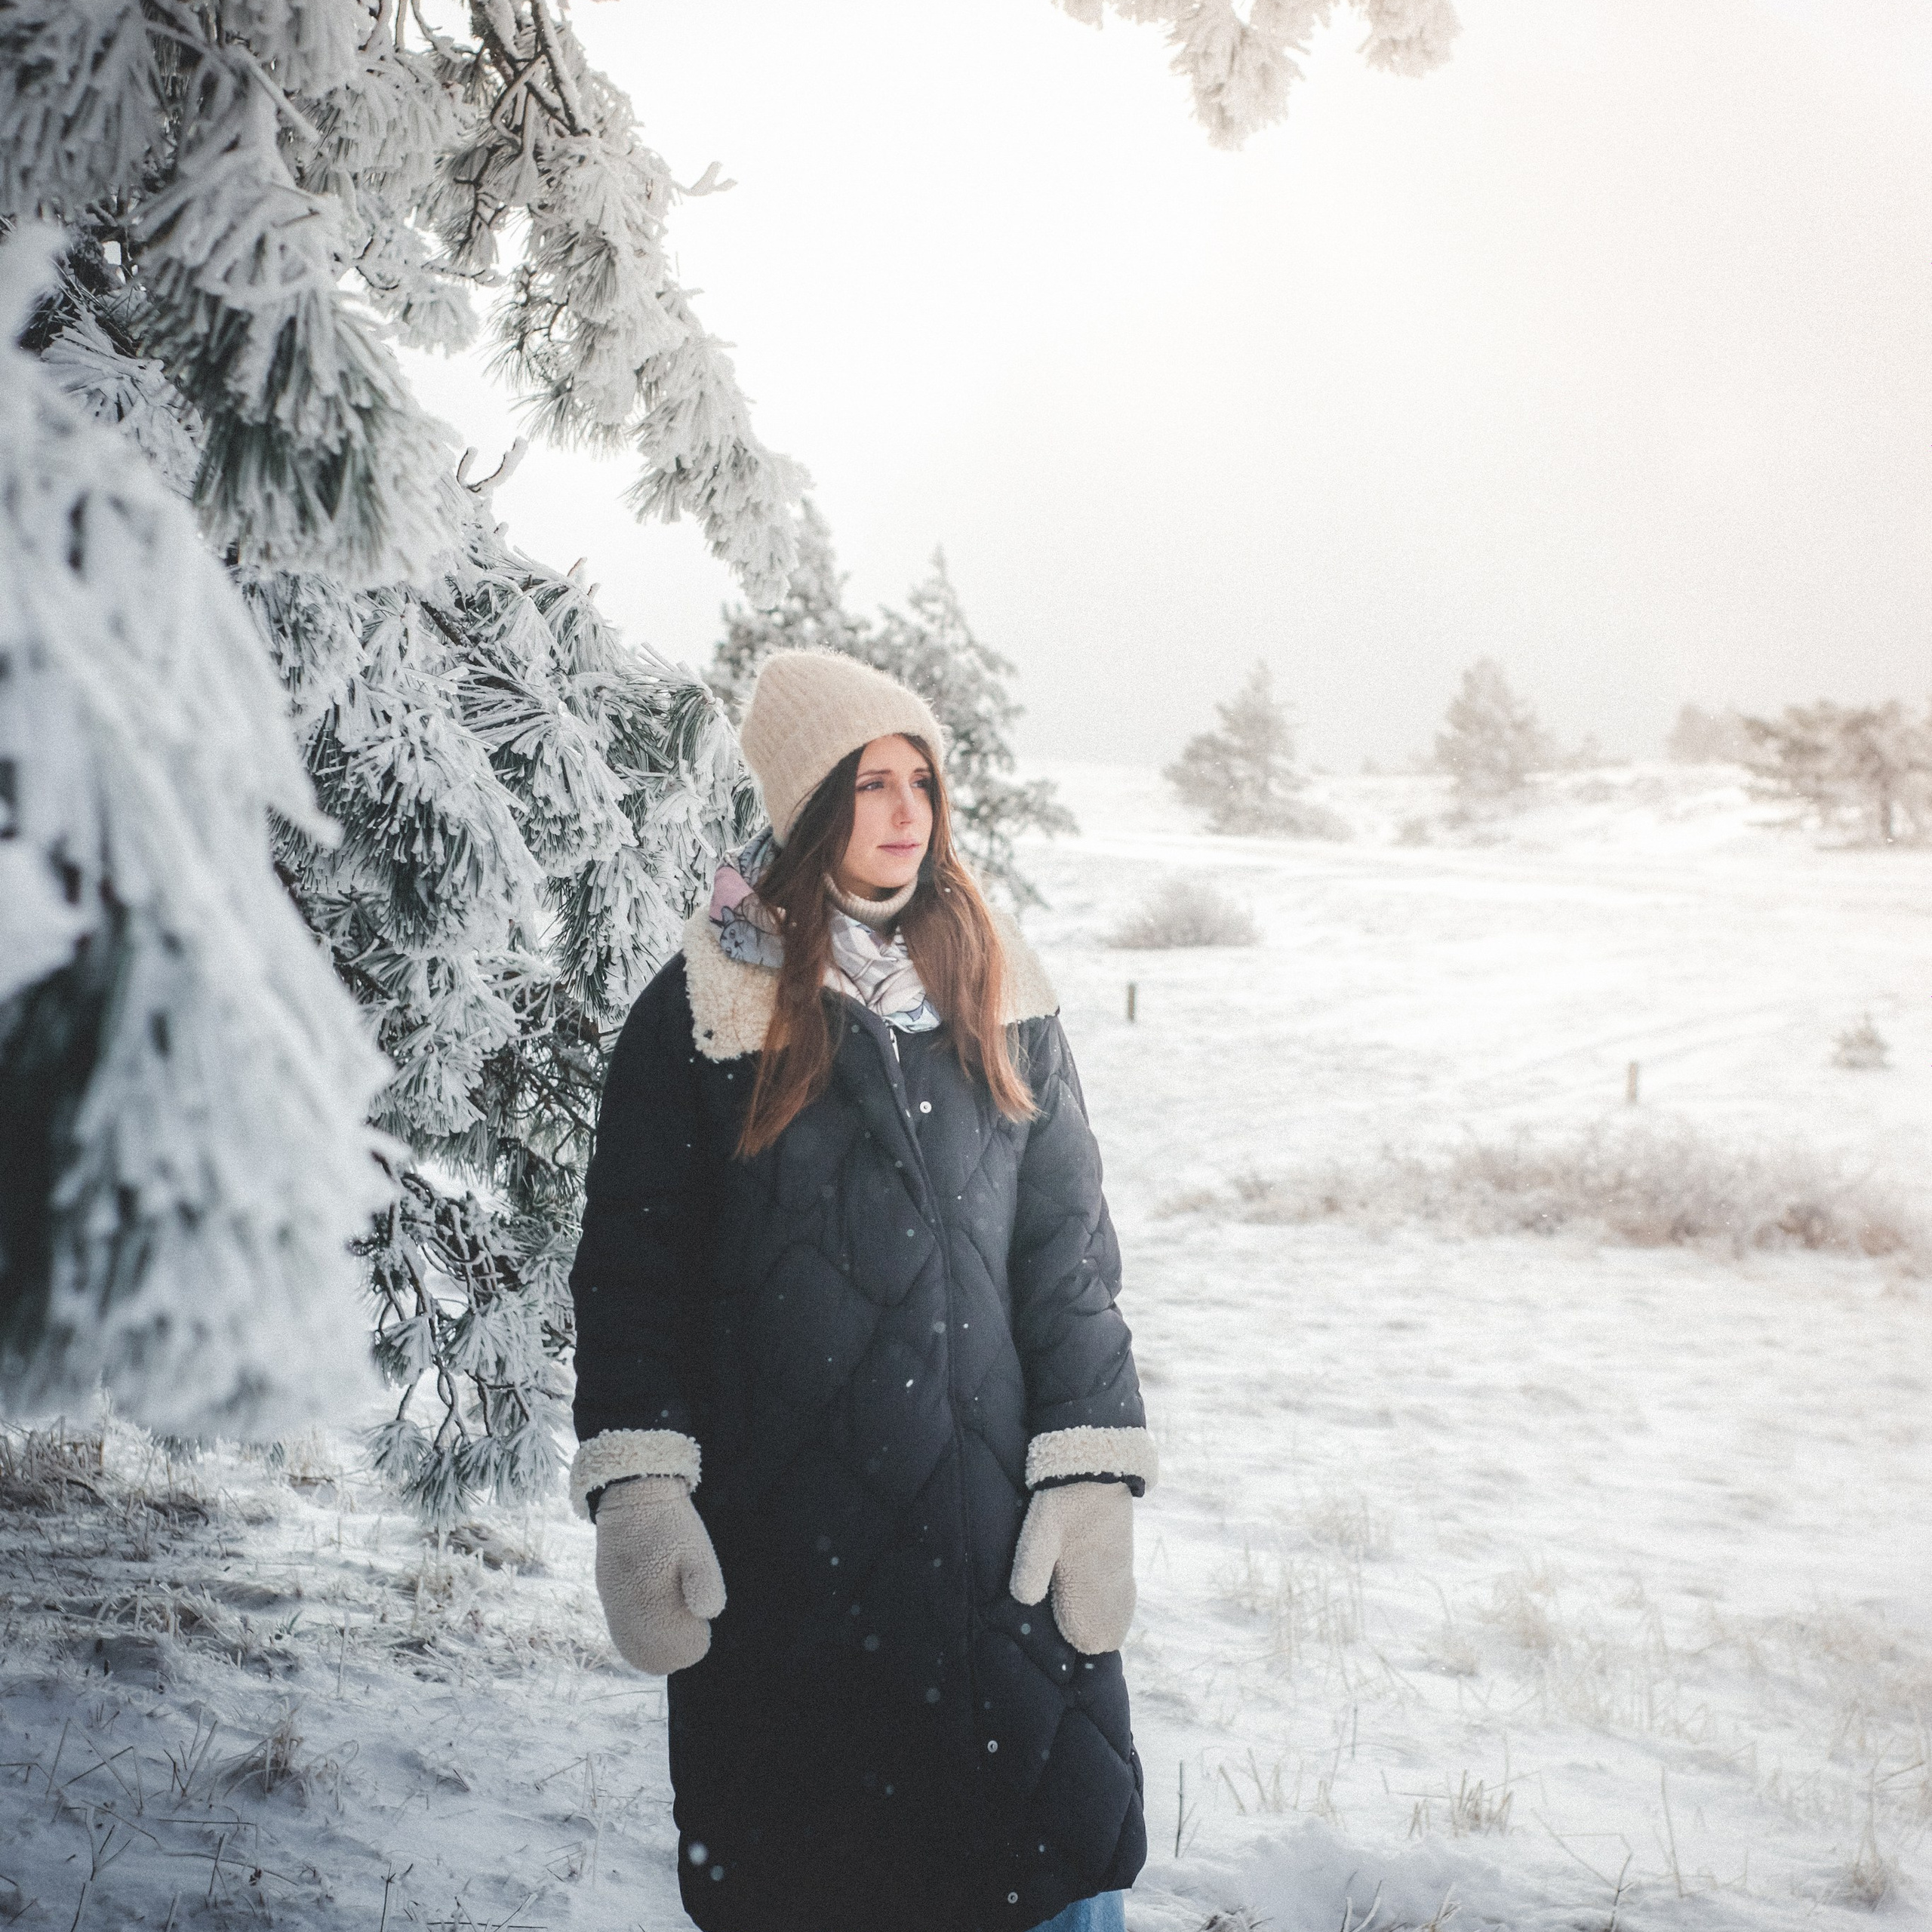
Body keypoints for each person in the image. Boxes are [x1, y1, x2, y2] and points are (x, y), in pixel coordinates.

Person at [568, 650, 1155, 1932]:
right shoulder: (701, 1014)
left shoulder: (1008, 992)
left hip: (1000, 1554)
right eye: (868, 784)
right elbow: (633, 1274)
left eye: (921, 782)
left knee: (1044, 1877)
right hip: (794, 1562)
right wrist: (644, 1487)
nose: (906, 813)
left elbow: (1068, 1262)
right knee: (825, 1881)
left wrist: (1092, 1469)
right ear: (805, 806)